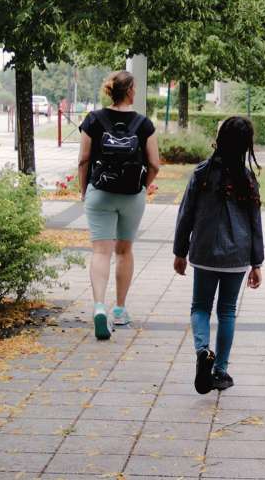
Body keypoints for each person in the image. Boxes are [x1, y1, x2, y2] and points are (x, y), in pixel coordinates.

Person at [173, 116, 264, 394]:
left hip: (204, 252)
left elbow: (185, 214)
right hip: (237, 256)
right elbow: (254, 222)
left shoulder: (202, 174)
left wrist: (180, 251)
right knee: (227, 311)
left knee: (200, 306)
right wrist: (257, 262)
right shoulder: (248, 179)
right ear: (247, 146)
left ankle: (203, 351)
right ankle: (220, 370)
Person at [78, 70, 160, 340]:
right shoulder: (143, 124)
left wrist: (84, 191)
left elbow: (83, 160)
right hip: (131, 195)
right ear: (131, 91)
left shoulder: (93, 120)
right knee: (124, 251)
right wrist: (143, 186)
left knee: (101, 252)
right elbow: (155, 164)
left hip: (100, 192)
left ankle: (99, 306)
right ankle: (120, 310)